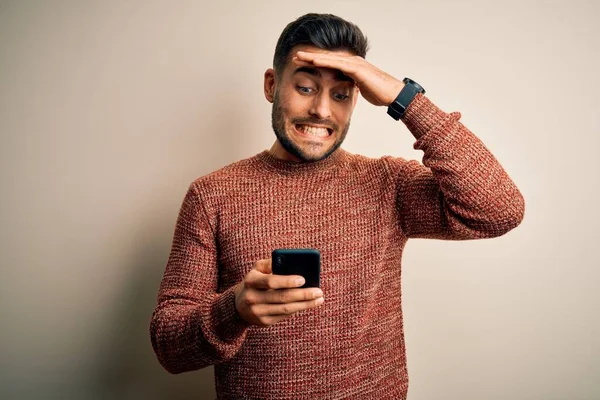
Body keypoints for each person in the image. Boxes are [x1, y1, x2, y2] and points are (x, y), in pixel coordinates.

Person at [149, 13, 525, 399]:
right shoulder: (212, 195)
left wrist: (405, 99)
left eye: (341, 95)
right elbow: (169, 346)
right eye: (306, 88)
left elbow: (499, 210)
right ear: (271, 84)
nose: (323, 111)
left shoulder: (387, 184)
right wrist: (233, 311)